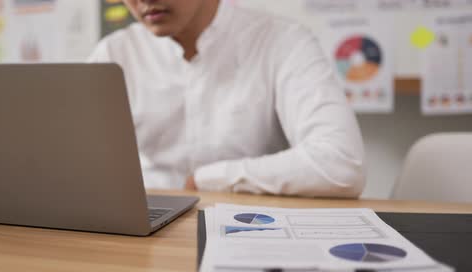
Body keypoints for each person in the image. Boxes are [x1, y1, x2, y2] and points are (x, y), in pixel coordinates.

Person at [88, 0, 366, 198]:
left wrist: (207, 179)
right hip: (145, 229)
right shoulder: (115, 53)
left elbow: (340, 164)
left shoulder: (283, 41)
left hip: (253, 228)